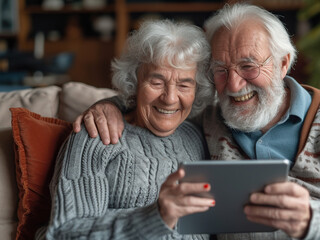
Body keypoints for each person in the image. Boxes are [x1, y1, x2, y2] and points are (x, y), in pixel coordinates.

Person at [75, 3, 320, 240]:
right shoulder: (209, 116)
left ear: (283, 64)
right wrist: (111, 107)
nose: (234, 85)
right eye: (221, 70)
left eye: (249, 67)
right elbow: (163, 100)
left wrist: (313, 219)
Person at [37, 19, 216, 239]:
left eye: (184, 85)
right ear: (134, 81)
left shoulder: (198, 136)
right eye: (156, 82)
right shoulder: (97, 135)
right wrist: (156, 217)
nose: (170, 99)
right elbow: (66, 233)